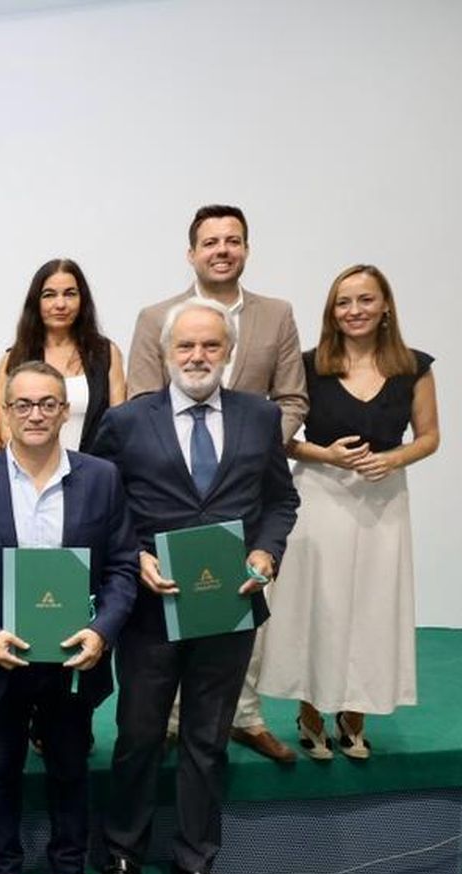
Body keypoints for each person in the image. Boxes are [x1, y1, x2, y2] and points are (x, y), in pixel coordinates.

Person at [91, 299, 299, 874]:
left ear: (229, 352)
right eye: (186, 347)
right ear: (165, 352)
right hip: (152, 610)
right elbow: (100, 504)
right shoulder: (127, 422)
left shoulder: (260, 417)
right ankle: (123, 854)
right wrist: (131, 557)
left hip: (228, 608)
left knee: (208, 740)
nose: (198, 357)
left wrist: (265, 553)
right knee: (138, 737)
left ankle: (196, 860)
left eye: (211, 346)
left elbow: (281, 503)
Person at [0, 361, 139, 874]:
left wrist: (103, 631)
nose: (35, 415)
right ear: (4, 412)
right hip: (2, 655)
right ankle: (3, 871)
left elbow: (123, 566)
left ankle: (69, 870)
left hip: (76, 657)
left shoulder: (101, 478)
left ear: (65, 410)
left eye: (47, 403)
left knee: (71, 766)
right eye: (22, 404)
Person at [125, 205, 306, 763]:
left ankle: (239, 723)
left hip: (240, 510)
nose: (222, 249)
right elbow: (138, 406)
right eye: (210, 241)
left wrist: (249, 456)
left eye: (233, 240)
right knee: (147, 715)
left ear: (246, 249)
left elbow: (293, 399)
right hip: (166, 517)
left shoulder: (275, 315)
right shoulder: (157, 316)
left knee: (225, 674)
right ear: (191, 252)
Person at [254, 266, 440, 759]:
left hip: (383, 500)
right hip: (320, 495)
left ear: (385, 308)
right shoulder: (309, 365)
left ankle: (354, 714)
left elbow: (429, 436)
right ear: (331, 312)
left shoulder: (414, 367)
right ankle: (310, 710)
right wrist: (327, 455)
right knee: (319, 603)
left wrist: (393, 459)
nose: (354, 310)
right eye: (343, 302)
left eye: (364, 300)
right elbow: (283, 439)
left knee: (373, 606)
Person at [0, 258, 126, 453]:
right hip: (32, 473)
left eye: (70, 294)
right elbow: (6, 430)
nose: (60, 304)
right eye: (49, 295)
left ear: (82, 300)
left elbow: (118, 424)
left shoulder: (106, 353)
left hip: (93, 471)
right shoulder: (15, 358)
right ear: (36, 302)